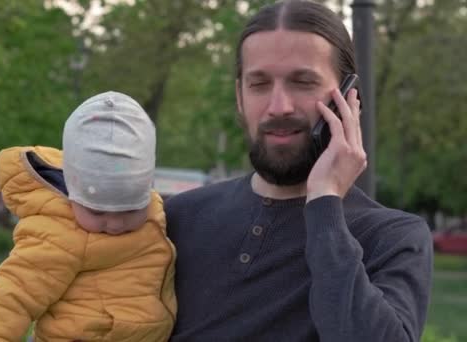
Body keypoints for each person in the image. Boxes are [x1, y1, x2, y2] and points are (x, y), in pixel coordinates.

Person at [165, 1, 432, 341]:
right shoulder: (178, 218)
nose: (278, 107)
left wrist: (324, 205)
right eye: (258, 84)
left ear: (349, 99)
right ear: (239, 96)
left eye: (303, 82)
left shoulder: (392, 238)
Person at [0, 91, 176, 342]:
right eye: (97, 211)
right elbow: (12, 301)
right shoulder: (58, 233)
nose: (115, 224)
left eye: (130, 209)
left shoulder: (153, 210)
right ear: (72, 193)